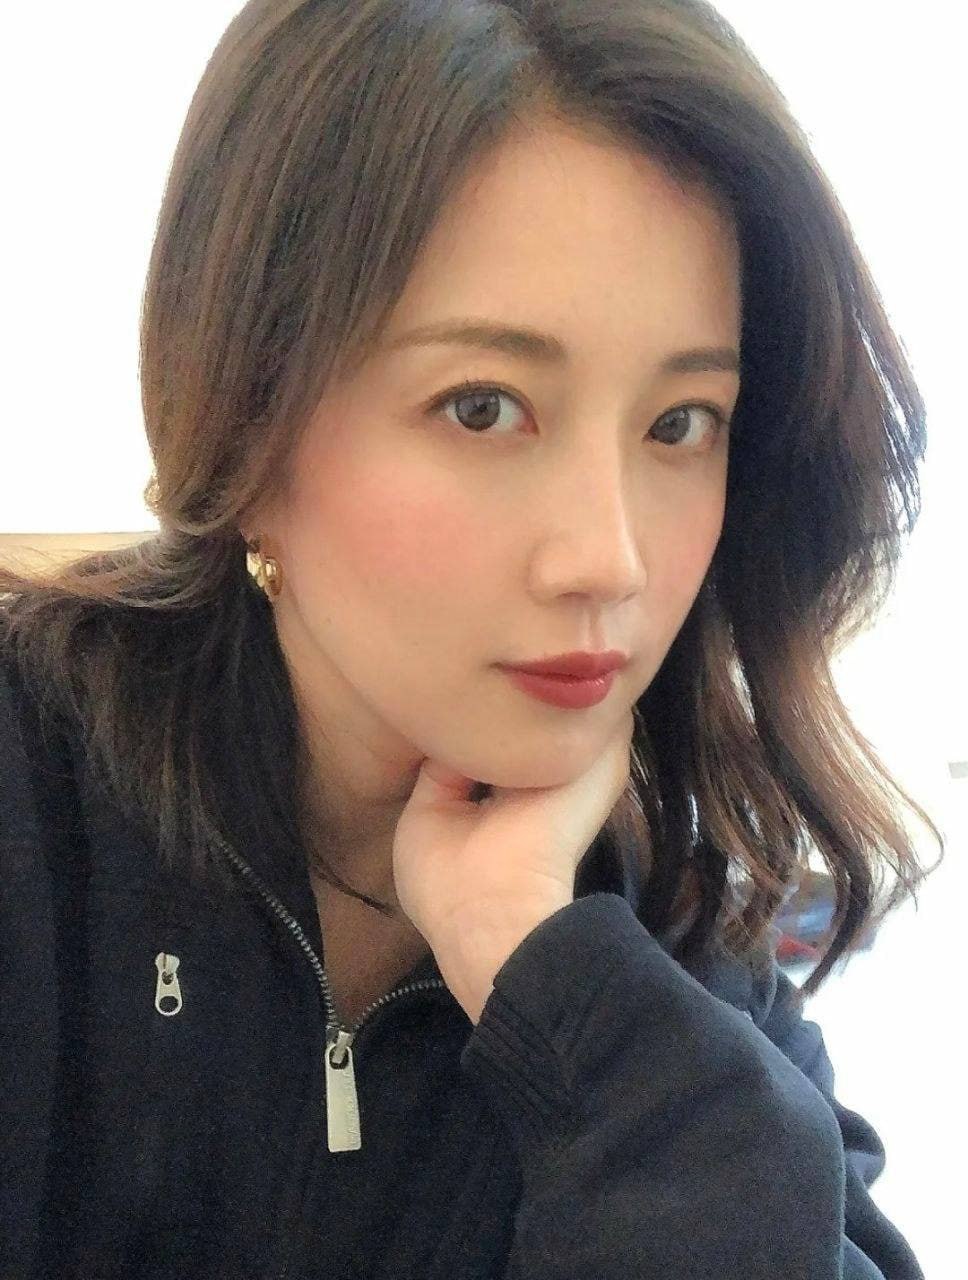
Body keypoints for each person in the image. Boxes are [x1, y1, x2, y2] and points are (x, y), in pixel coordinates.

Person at [0, 1, 944, 1277]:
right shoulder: (34, 806)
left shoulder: (677, 970)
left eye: (679, 422)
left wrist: (544, 975)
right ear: (247, 419)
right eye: (484, 406)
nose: (608, 558)